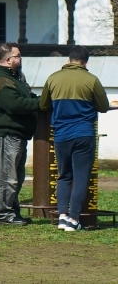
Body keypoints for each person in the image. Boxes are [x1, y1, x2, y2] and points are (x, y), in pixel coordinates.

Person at [40, 46, 111, 231]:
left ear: (68, 60)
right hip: (83, 134)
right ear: (85, 62)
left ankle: (62, 217)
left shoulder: (53, 78)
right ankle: (73, 220)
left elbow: (44, 105)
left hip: (61, 134)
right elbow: (103, 106)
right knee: (80, 178)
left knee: (63, 176)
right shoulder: (91, 80)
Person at [0, 42, 39, 226]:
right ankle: (4, 215)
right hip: (7, 135)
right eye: (18, 56)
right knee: (7, 177)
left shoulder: (14, 77)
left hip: (18, 135)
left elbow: (27, 97)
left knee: (16, 176)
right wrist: (41, 104)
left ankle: (13, 211)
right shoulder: (1, 80)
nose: (20, 58)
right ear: (8, 60)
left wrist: (39, 100)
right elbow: (15, 105)